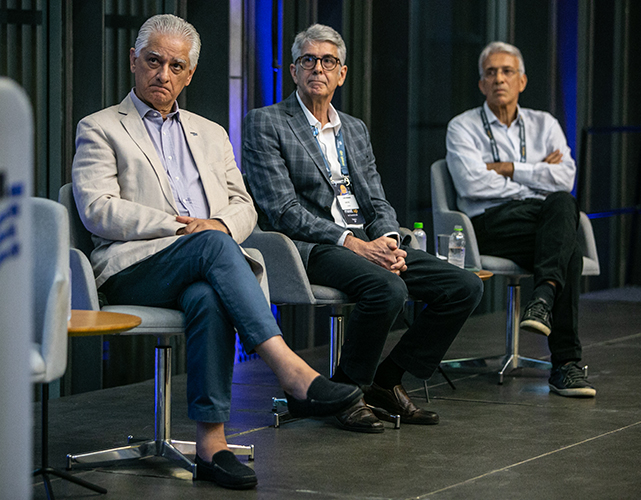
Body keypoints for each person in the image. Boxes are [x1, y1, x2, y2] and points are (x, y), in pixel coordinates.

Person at [72, 14, 362, 490]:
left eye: (175, 66)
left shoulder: (210, 132)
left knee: (209, 293)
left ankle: (212, 445)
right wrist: (185, 227)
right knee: (210, 243)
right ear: (133, 61)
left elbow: (243, 205)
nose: (162, 74)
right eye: (153, 61)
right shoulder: (101, 127)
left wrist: (219, 225)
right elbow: (98, 210)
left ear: (189, 74)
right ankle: (291, 373)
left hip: (202, 263)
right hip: (132, 267)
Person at [243, 24, 483, 434]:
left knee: (463, 286)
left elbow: (376, 200)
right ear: (294, 71)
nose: (318, 68)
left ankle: (386, 381)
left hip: (366, 243)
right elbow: (282, 211)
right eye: (308, 60)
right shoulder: (266, 123)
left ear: (342, 73)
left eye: (328, 61)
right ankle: (348, 392)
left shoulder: (353, 128)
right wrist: (352, 243)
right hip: (309, 247)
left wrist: (388, 241)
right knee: (388, 289)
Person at [445, 41, 596, 398]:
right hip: (490, 223)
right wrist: (538, 173)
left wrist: (509, 169)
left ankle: (543, 298)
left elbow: (566, 178)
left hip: (540, 218)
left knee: (562, 214)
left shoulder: (545, 123)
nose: (499, 79)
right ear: (482, 84)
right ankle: (566, 366)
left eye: (507, 71)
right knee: (562, 225)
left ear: (522, 81)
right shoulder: (462, 127)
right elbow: (471, 181)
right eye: (490, 73)